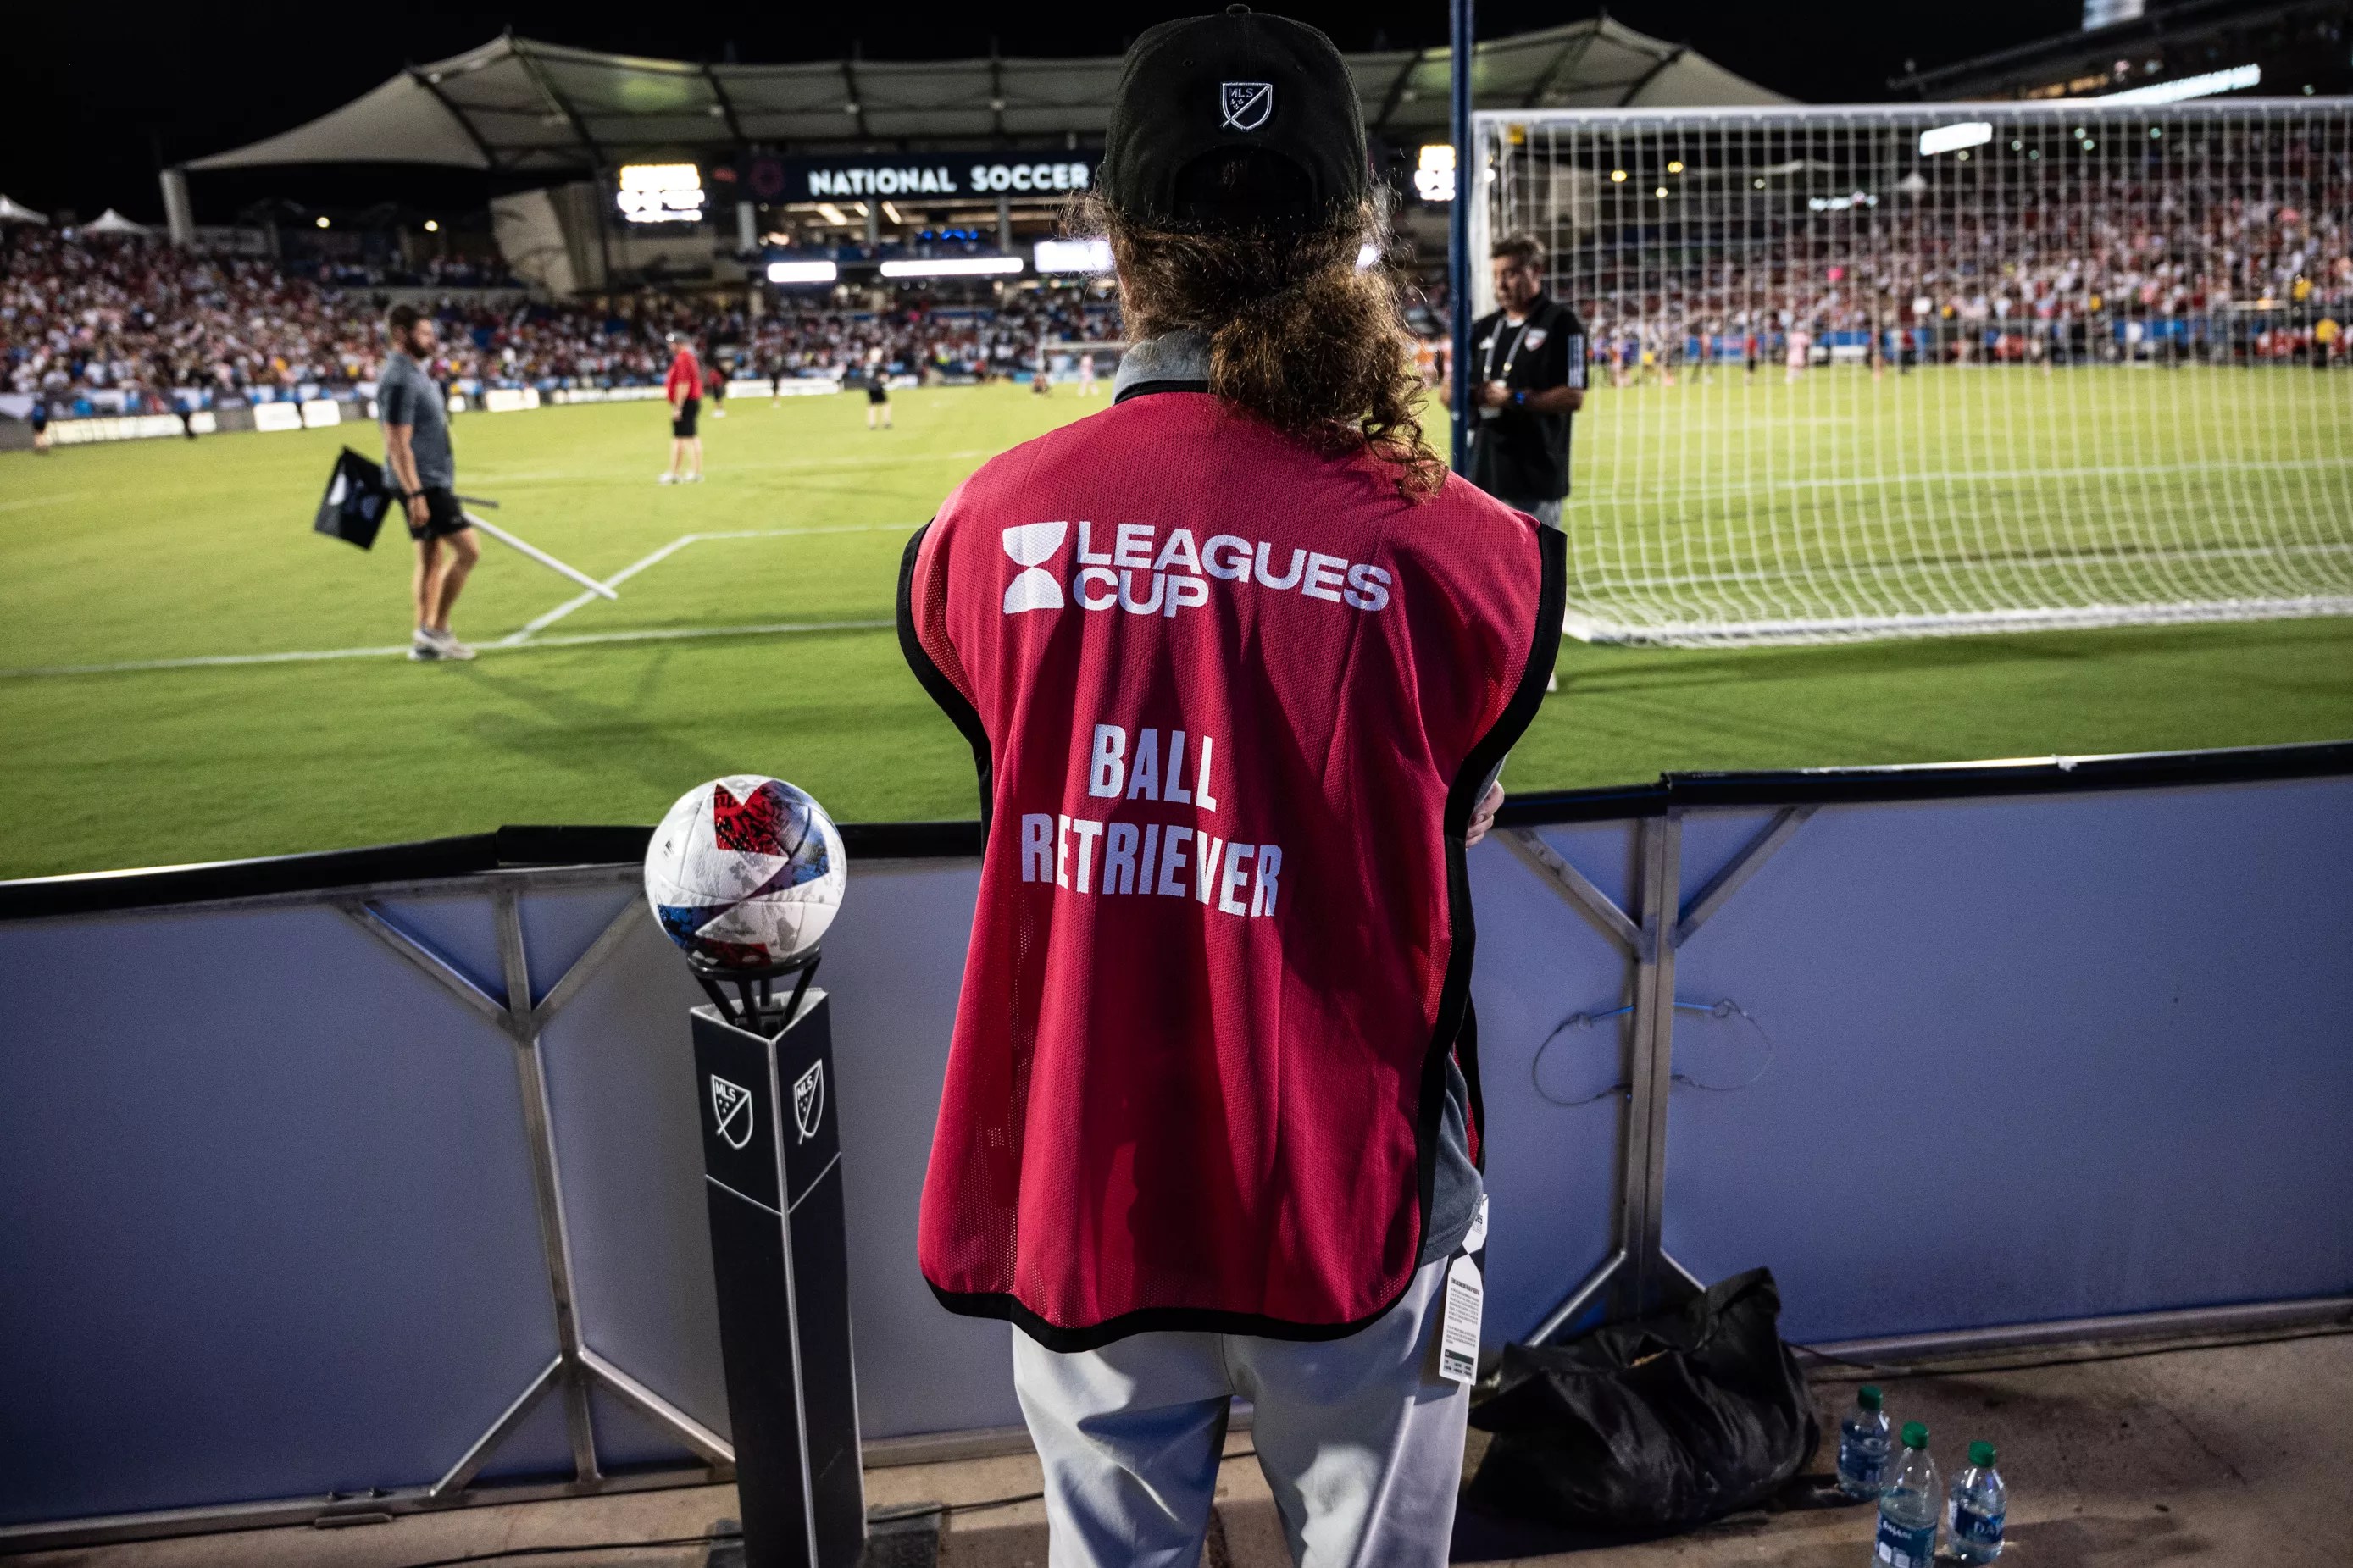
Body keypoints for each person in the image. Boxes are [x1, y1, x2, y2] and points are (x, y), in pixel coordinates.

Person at [896, 14, 1563, 1568]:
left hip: (1089, 1170)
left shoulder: (978, 529)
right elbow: (1457, 801)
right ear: (1353, 236)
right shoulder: (1471, 550)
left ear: (1115, 237)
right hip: (1353, 1175)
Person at [1452, 232, 1587, 532]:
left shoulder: (1563, 324)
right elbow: (1451, 390)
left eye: (1511, 273)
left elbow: (1573, 396)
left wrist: (1514, 398)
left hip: (1535, 479)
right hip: (1482, 475)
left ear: (1536, 270)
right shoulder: (1483, 328)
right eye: (1497, 275)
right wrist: (1466, 393)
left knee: (1533, 563)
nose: (1501, 284)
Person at [378, 304, 478, 662]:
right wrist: (415, 493)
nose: (431, 340)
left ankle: (424, 641)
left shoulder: (414, 373)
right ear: (401, 334)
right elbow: (396, 442)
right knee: (468, 552)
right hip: (422, 482)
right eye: (423, 334)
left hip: (429, 479)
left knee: (431, 557)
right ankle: (436, 630)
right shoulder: (399, 379)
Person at [660, 333, 703, 484]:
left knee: (682, 438)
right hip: (691, 401)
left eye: (673, 343)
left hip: (686, 402)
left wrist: (678, 407)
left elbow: (683, 384)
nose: (671, 346)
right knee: (689, 437)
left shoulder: (682, 359)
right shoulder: (690, 358)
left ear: (679, 344)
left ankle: (677, 473)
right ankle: (692, 471)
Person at [865, 347, 892, 429]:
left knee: (871, 405)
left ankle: (871, 423)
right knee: (886, 403)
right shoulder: (879, 365)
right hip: (877, 387)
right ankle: (886, 422)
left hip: (869, 387)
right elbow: (884, 377)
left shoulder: (867, 365)